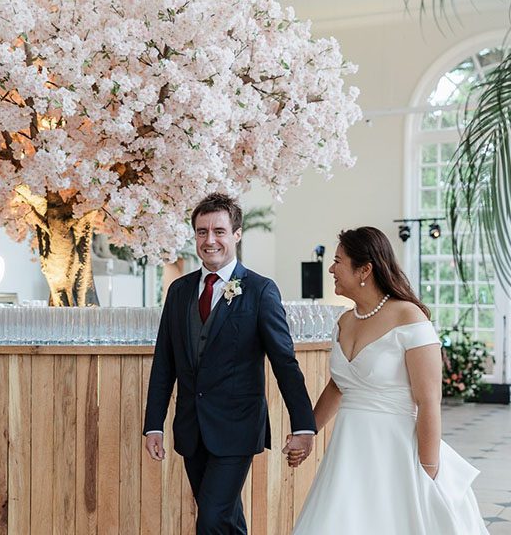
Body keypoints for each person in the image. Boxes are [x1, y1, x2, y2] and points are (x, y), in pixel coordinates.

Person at [290, 227, 488, 535]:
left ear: (364, 269)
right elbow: (338, 386)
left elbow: (428, 400)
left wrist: (428, 469)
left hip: (397, 454)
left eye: (338, 261)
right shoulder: (344, 321)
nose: (331, 268)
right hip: (348, 454)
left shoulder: (409, 317)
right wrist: (307, 432)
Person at [143, 193, 316, 534]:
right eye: (202, 231)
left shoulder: (260, 290)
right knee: (225, 519)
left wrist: (303, 425)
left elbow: (284, 362)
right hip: (192, 428)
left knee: (211, 519)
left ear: (237, 234)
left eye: (219, 231)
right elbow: (165, 362)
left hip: (237, 428)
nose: (210, 240)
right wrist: (154, 424)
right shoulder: (178, 292)